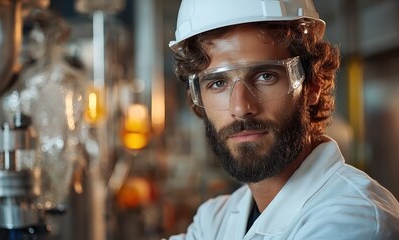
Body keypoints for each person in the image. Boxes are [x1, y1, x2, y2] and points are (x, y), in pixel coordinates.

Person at [166, 0, 399, 239]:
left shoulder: (352, 221)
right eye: (218, 83)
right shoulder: (216, 219)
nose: (240, 107)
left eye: (265, 76)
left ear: (311, 84)